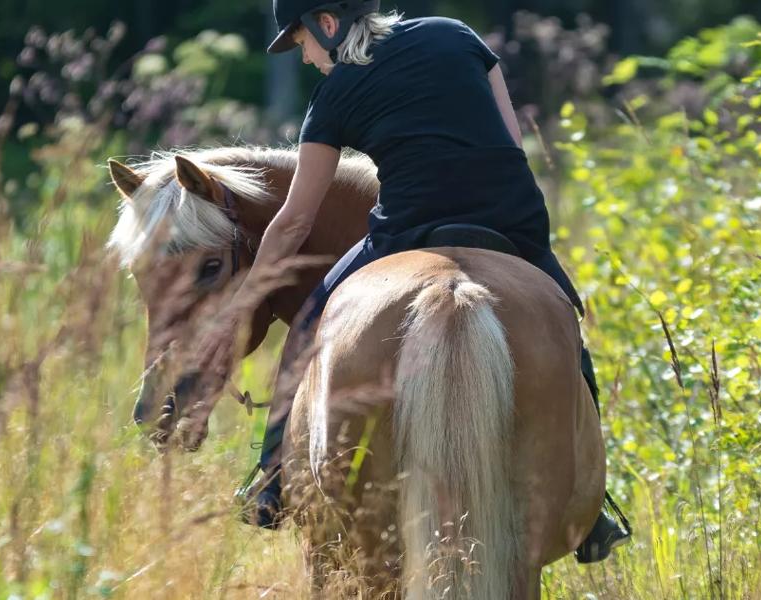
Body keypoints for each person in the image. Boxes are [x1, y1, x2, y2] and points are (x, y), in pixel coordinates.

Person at [196, 0, 629, 563]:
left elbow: (298, 219)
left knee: (308, 326)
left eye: (300, 40)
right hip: (514, 221)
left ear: (328, 25)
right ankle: (592, 509)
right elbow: (513, 145)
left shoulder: (334, 93)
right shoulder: (459, 35)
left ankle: (272, 477)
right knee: (566, 332)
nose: (304, 56)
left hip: (408, 232)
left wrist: (249, 293)